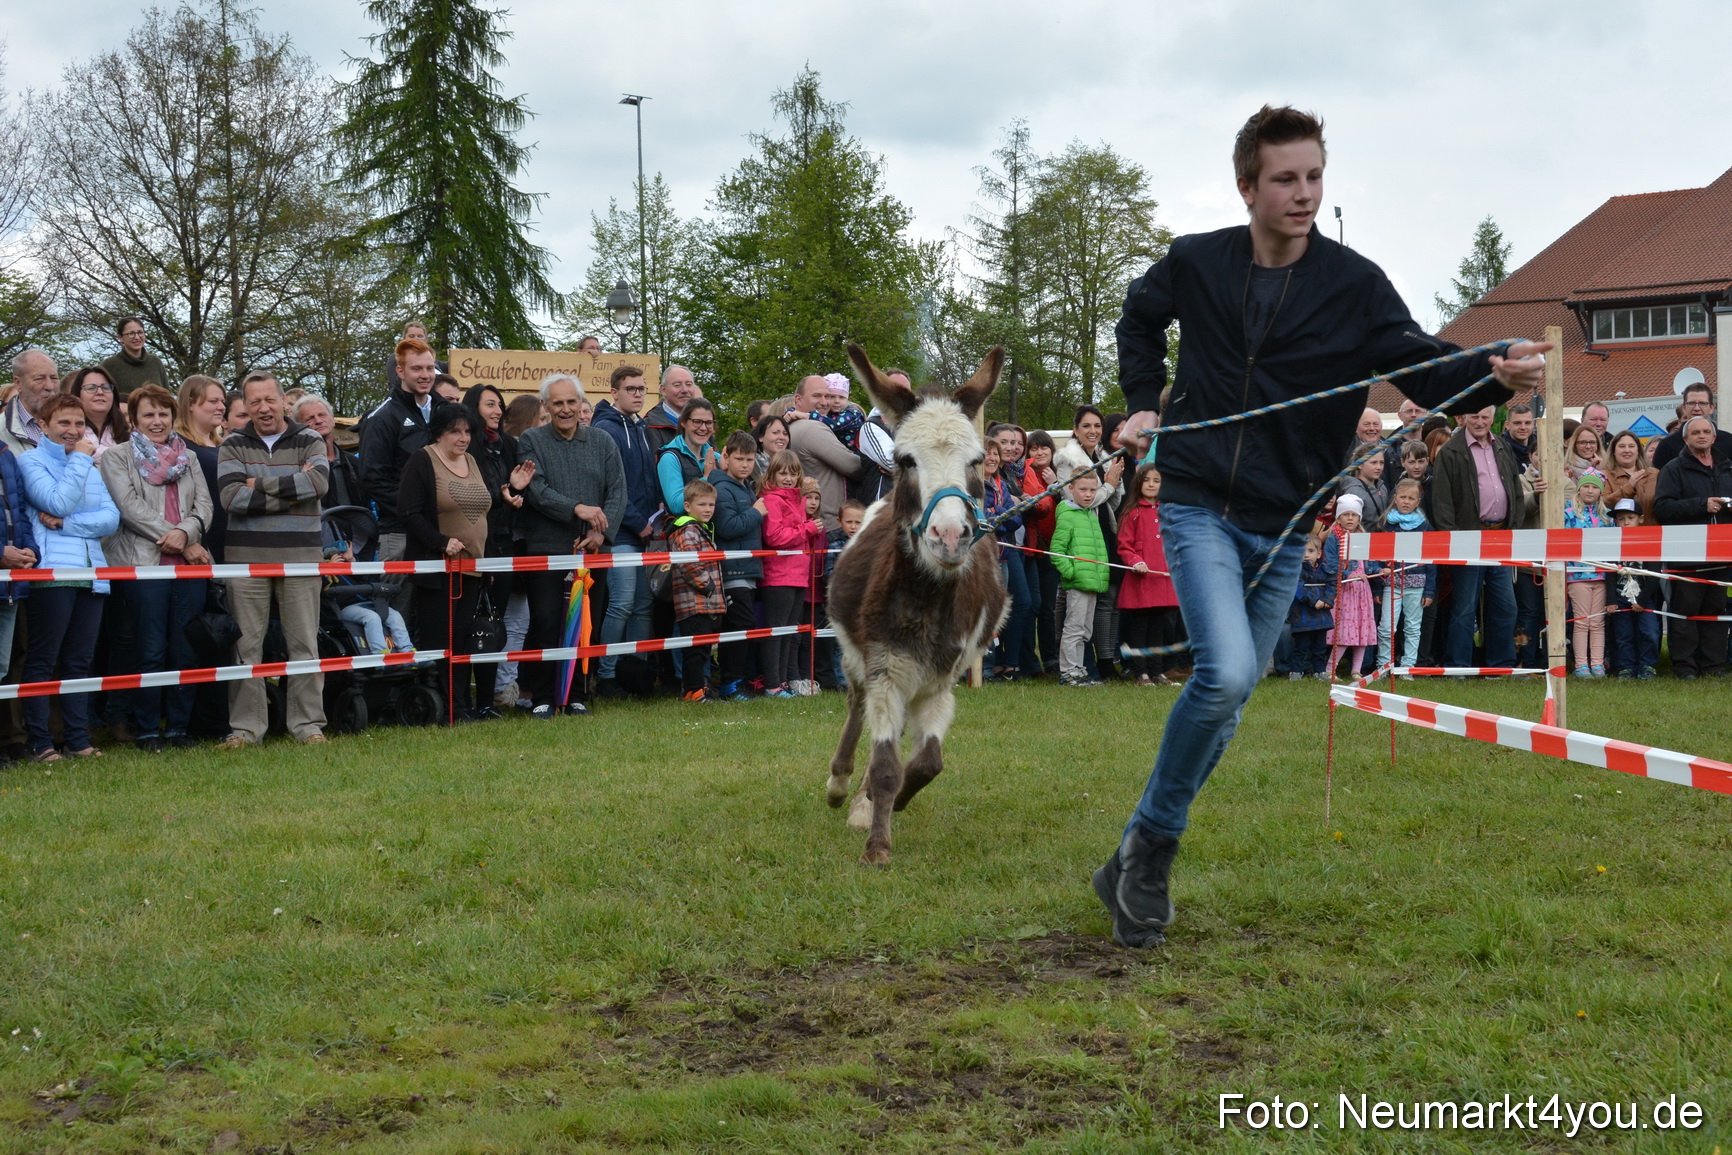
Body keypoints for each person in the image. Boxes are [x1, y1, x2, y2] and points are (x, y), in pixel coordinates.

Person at [1100, 104, 1548, 950]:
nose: (1303, 194)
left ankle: (1130, 852)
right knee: (1228, 673)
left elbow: (1423, 359)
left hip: (1288, 518)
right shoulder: (1197, 262)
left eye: (1314, 177)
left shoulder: (1354, 285)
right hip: (1198, 501)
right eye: (1285, 179)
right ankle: (1153, 848)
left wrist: (1495, 370)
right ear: (1248, 186)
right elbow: (1137, 314)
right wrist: (1138, 402)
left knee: (1228, 702)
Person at [217, 371, 330, 747]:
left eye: (269, 399)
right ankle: (246, 729)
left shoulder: (310, 437)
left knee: (304, 644)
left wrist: (256, 484)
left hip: (301, 557)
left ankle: (307, 726)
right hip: (245, 560)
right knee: (245, 646)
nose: (263, 408)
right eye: (254, 402)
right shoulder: (232, 443)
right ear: (245, 406)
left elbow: (317, 484)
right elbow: (231, 498)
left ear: (283, 400)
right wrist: (291, 486)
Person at [100, 385, 213, 751]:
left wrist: (186, 532)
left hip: (189, 566)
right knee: (148, 650)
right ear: (133, 419)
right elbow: (129, 508)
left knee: (185, 648)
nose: (157, 421)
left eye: (163, 413)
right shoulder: (117, 457)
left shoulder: (189, 457)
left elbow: (204, 506)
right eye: (148, 414)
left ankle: (178, 728)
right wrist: (177, 536)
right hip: (143, 565)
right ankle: (147, 730)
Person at [516, 373, 627, 718]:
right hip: (545, 550)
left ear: (581, 405)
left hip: (593, 552)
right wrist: (576, 509)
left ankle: (578, 694)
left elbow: (618, 492)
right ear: (546, 407)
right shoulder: (531, 440)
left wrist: (601, 534)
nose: (565, 409)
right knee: (547, 622)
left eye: (571, 402)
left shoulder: (603, 441)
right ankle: (544, 697)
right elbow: (537, 490)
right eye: (557, 403)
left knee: (584, 626)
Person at [18, 395, 121, 761]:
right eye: (64, 423)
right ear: (43, 426)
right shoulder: (29, 462)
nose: (74, 431)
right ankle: (39, 741)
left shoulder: (90, 468)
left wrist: (66, 524)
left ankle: (77, 739)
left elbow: (111, 519)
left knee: (80, 662)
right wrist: (79, 458)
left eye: (79, 425)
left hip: (92, 573)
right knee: (43, 660)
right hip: (52, 574)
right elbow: (56, 500)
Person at [399, 404, 496, 721]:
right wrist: (441, 542)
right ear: (439, 431)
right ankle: (446, 707)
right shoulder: (421, 461)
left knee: (465, 640)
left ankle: (462, 704)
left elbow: (482, 511)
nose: (464, 437)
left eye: (468, 431)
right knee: (442, 641)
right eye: (456, 431)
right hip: (439, 570)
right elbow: (409, 513)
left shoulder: (471, 460)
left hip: (473, 568)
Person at [1431, 405, 1531, 670]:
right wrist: (1453, 541)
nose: (1480, 421)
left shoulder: (1502, 447)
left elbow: (1516, 491)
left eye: (1485, 416)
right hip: (1468, 536)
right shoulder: (1451, 452)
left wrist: (1514, 530)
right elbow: (1441, 502)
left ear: (1492, 418)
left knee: (1506, 606)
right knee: (1465, 608)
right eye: (1474, 416)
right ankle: (1459, 666)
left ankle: (1500, 665)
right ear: (1463, 418)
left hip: (1500, 536)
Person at [589, 364, 661, 699]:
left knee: (643, 605)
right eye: (630, 389)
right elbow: (613, 486)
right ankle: (606, 676)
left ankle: (636, 673)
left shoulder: (641, 427)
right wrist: (637, 521)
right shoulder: (607, 429)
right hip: (621, 534)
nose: (637, 394)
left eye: (641, 389)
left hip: (645, 533)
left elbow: (646, 481)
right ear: (614, 392)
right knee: (620, 604)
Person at [1651, 415, 1732, 679]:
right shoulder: (1673, 469)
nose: (1701, 435)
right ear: (1685, 439)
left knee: (1715, 613)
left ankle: (1714, 665)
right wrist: (1701, 505)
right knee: (1685, 613)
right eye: (1695, 432)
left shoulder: (1727, 467)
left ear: (1714, 436)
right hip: (1687, 556)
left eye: (1706, 431)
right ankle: (1685, 667)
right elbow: (1662, 508)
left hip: (1722, 555)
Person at [361, 337, 438, 594]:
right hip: (399, 533)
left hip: (442, 534)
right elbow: (373, 478)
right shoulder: (382, 418)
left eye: (430, 368)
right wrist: (414, 512)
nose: (425, 375)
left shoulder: (445, 411)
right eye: (417, 369)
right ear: (400, 371)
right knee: (397, 615)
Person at [755, 449, 822, 698]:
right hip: (779, 576)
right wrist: (807, 529)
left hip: (798, 575)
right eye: (782, 473)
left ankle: (782, 682)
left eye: (792, 473)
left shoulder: (797, 502)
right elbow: (774, 536)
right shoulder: (772, 500)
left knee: (789, 632)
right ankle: (772, 684)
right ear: (772, 473)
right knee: (776, 632)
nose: (788, 478)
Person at [708, 431, 764, 700]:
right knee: (739, 626)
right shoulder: (721, 488)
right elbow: (728, 528)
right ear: (726, 457)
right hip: (732, 570)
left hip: (749, 569)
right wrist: (757, 512)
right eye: (739, 458)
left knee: (742, 627)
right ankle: (730, 684)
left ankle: (737, 681)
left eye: (750, 459)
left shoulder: (745, 487)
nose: (745, 465)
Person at [1117, 464, 1180, 686]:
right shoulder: (1132, 512)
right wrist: (1136, 561)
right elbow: (1124, 547)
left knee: (1158, 628)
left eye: (1157, 480)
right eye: (1147, 480)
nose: (1152, 485)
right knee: (1140, 627)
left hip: (1162, 579)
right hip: (1141, 580)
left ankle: (1157, 671)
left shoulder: (1168, 512)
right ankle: (1140, 673)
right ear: (1138, 484)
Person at [668, 479, 725, 704]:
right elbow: (690, 564)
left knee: (703, 650)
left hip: (705, 603)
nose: (708, 510)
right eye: (702, 505)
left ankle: (699, 687)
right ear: (688, 506)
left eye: (711, 505)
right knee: (695, 651)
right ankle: (693, 691)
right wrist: (709, 587)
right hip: (693, 603)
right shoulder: (688, 530)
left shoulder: (700, 529)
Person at [982, 438, 1033, 682]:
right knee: (983, 611)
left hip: (1001, 555)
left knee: (997, 611)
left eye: (995, 454)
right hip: (982, 558)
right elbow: (983, 519)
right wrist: (1001, 513)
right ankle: (981, 667)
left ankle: (994, 664)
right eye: (987, 453)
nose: (992, 458)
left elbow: (1015, 520)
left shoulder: (999, 484)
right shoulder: (975, 485)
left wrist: (998, 514)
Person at [1051, 471, 1108, 687]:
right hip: (1078, 583)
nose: (1088, 494)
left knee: (1085, 630)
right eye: (1083, 489)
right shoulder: (1067, 514)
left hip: (1092, 582)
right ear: (1071, 489)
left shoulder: (1090, 514)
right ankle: (1068, 672)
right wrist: (1071, 572)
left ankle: (1079, 670)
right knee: (1073, 628)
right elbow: (1057, 550)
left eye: (1092, 490)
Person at [1373, 478, 1436, 674]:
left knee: (1412, 627)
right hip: (1390, 584)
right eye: (1403, 497)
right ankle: (1384, 666)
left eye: (1411, 498)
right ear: (1395, 498)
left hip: (1417, 583)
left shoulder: (1425, 527)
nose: (1406, 502)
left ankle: (1408, 667)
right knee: (1386, 628)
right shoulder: (1385, 524)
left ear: (1418, 502)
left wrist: (1430, 589)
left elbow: (1431, 561)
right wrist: (1376, 586)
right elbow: (1376, 558)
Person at [786, 375, 864, 529]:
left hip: (812, 520)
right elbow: (854, 467)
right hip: (829, 522)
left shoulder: (789, 426)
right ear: (798, 399)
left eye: (827, 396)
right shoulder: (813, 428)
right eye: (816, 396)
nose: (824, 402)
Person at [1321, 494, 1379, 680]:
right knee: (1345, 630)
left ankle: (1356, 669)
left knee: (1363, 628)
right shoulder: (1334, 538)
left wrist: (1380, 569)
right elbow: (1330, 563)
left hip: (1362, 591)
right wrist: (1349, 574)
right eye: (1345, 514)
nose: (1350, 518)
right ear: (1338, 517)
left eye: (1354, 515)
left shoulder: (1363, 538)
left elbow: (1370, 562)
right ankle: (1331, 668)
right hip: (1345, 590)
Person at [1605, 498, 1660, 680]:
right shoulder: (1613, 544)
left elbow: (1654, 575)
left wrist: (1642, 601)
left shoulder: (1649, 542)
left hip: (1644, 597)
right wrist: (1611, 600)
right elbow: (1610, 575)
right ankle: (1626, 666)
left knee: (1650, 631)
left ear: (1641, 519)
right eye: (1621, 519)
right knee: (1623, 634)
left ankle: (1647, 665)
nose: (1626, 522)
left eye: (1630, 517)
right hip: (1621, 597)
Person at [1562, 471, 1610, 677]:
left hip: (1601, 576)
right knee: (1581, 620)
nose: (1590, 490)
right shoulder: (1569, 514)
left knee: (1597, 622)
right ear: (1579, 489)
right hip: (1578, 575)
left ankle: (1597, 664)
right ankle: (1581, 664)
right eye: (1586, 486)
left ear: (1601, 491)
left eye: (1595, 487)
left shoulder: (1607, 517)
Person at [1022, 430, 1062, 674]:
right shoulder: (1022, 474)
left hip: (1053, 549)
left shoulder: (1058, 473)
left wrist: (1056, 483)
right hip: (1030, 547)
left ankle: (1050, 658)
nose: (1039, 453)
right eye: (1033, 449)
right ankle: (1029, 661)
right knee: (1031, 605)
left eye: (1043, 448)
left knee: (1048, 607)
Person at [293, 396, 363, 510]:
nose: (318, 421)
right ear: (299, 428)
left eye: (322, 415)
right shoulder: (298, 468)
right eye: (310, 418)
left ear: (332, 419)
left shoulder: (355, 463)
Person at [657, 399, 720, 516]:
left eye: (708, 423)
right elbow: (676, 506)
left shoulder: (716, 457)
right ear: (683, 422)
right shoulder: (670, 458)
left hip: (713, 531)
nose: (703, 428)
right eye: (697, 421)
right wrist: (706, 477)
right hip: (686, 532)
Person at [1650, 382, 1732, 469]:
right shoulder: (1667, 445)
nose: (1696, 408)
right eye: (1692, 403)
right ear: (1684, 407)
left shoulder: (1728, 441)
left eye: (1702, 403)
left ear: (1711, 408)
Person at [1288, 536, 1334, 680]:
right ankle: (1296, 671)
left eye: (1311, 550)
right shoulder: (1295, 570)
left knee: (1320, 647)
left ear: (1319, 553)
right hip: (1303, 615)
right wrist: (1313, 601)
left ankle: (1319, 671)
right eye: (1302, 551)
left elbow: (1333, 584)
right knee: (1301, 646)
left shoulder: (1325, 569)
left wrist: (1327, 599)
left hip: (1322, 615)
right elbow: (1298, 589)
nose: (1306, 554)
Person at [3, 349, 62, 458]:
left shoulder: (77, 425)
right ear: (18, 383)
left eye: (54, 378)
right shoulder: (2, 432)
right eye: (39, 378)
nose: (50, 386)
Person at [64, 367, 128, 458]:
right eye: (91, 388)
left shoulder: (130, 433)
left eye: (106, 387)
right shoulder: (66, 434)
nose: (100, 392)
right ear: (77, 395)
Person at [99, 317, 170, 400]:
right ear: (121, 337)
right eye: (131, 333)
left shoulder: (155, 362)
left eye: (140, 332)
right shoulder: (109, 365)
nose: (137, 337)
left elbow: (167, 396)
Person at [1602, 431, 1657, 527]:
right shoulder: (1603, 475)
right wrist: (1629, 486)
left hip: (1652, 533)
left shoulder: (1654, 474)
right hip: (1619, 536)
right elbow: (1603, 503)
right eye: (1622, 446)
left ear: (1638, 450)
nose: (1627, 450)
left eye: (1631, 446)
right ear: (1614, 451)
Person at [645, 364, 697, 451]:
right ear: (663, 390)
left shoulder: (703, 423)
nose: (684, 390)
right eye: (677, 385)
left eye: (688, 384)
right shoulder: (650, 426)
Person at [1337, 446, 1389, 526]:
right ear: (1360, 465)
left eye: (1381, 462)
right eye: (1373, 462)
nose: (1379, 467)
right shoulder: (1354, 491)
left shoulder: (1382, 487)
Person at [385, 321, 445, 390]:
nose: (416, 339)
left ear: (425, 340)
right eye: (411, 336)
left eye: (420, 336)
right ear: (404, 338)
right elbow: (396, 383)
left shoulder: (434, 362)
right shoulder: (396, 358)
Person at [752, 413, 792, 480]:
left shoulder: (791, 463)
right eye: (775, 432)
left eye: (785, 434)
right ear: (761, 437)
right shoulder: (751, 463)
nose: (782, 437)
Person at [1502, 402, 1537, 470]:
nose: (1523, 427)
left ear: (1533, 424)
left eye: (1527, 423)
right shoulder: (1498, 450)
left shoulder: (1542, 447)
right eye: (1517, 423)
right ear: (1507, 425)